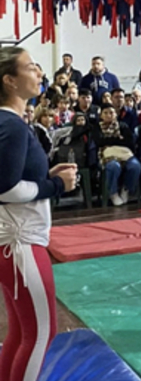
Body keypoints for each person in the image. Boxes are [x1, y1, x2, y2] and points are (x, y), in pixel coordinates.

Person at [0, 47, 77, 381]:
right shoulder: (11, 125)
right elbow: (6, 189)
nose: (40, 72)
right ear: (10, 80)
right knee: (39, 335)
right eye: (31, 67)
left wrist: (47, 178)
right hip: (21, 244)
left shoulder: (11, 123)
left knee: (20, 332)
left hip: (14, 242)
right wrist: (56, 186)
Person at [95, 104, 141, 206]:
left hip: (125, 153)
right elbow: (99, 142)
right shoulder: (97, 127)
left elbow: (129, 141)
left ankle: (126, 189)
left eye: (111, 113)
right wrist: (118, 140)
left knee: (135, 166)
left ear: (115, 114)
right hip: (106, 155)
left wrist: (110, 141)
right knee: (113, 166)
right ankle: (113, 193)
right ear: (101, 116)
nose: (109, 115)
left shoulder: (123, 126)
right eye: (105, 113)